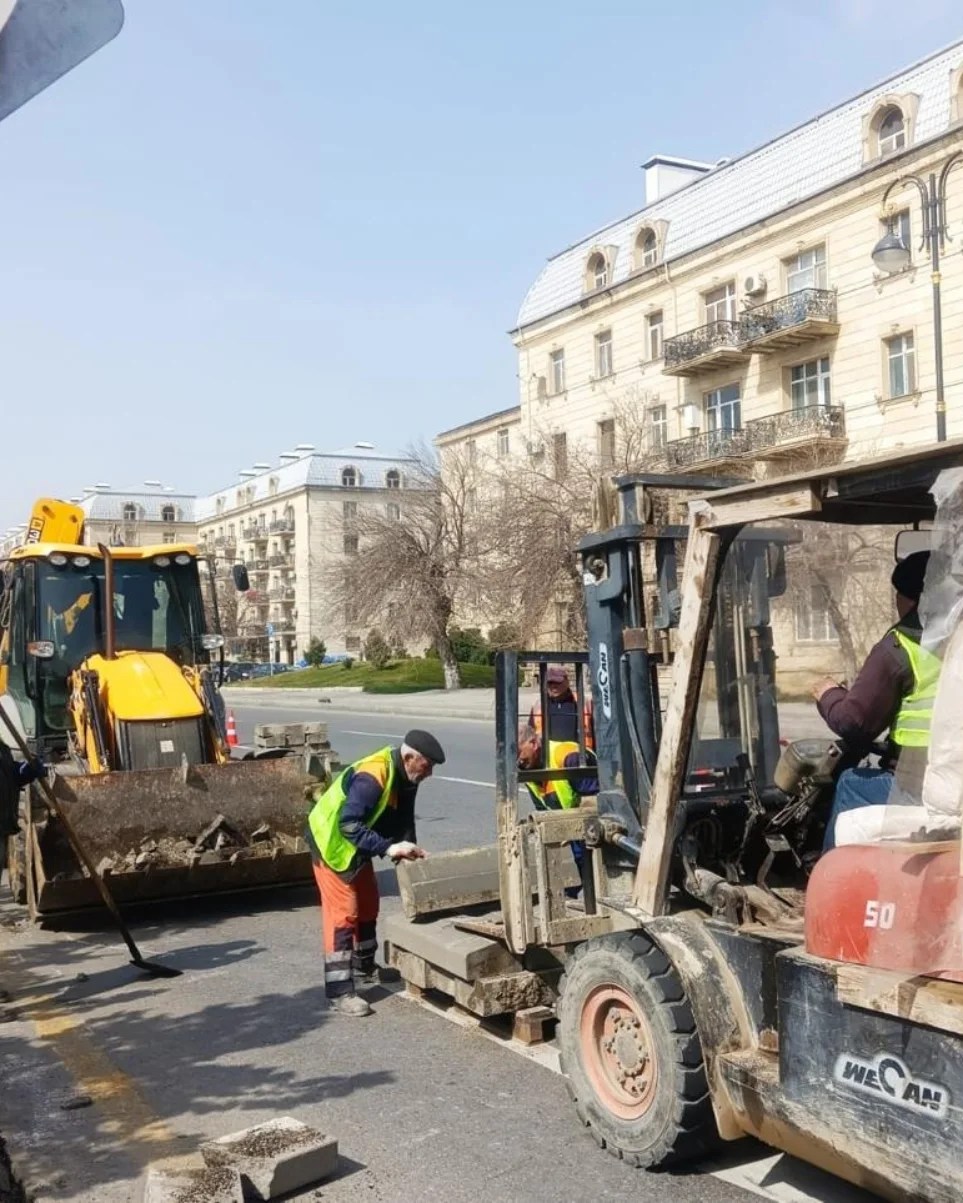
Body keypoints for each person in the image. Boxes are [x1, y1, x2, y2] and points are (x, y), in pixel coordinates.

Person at [305, 728, 446, 1016]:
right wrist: (387, 848)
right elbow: (348, 825)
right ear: (409, 757)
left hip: (355, 846)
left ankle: (365, 966)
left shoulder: (407, 776)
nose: (429, 773)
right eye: (427, 766)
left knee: (369, 903)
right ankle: (339, 991)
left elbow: (404, 818)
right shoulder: (373, 776)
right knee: (344, 914)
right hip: (332, 843)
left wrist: (410, 850)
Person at [811, 551, 937, 849]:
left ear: (909, 599)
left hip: (923, 787)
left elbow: (854, 722)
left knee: (852, 783)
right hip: (951, 778)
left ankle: (832, 883)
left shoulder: (901, 646)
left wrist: (828, 693)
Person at [517, 722, 597, 896]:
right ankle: (590, 889)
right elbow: (542, 808)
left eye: (519, 752)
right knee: (581, 858)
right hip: (572, 825)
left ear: (533, 743)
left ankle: (597, 891)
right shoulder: (528, 769)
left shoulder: (567, 756)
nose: (518, 761)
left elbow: (594, 801)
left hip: (590, 824)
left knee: (592, 858)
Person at [528, 666, 595, 749]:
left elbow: (597, 732)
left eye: (557, 682)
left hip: (578, 756)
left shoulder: (584, 702)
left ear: (567, 682)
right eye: (550, 683)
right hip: (547, 756)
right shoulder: (538, 705)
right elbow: (530, 736)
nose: (553, 686)